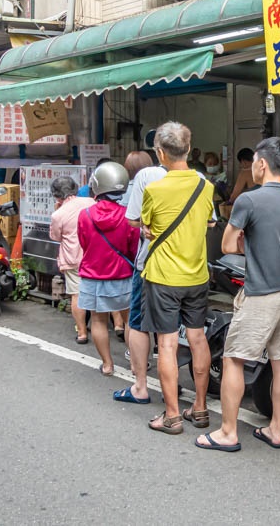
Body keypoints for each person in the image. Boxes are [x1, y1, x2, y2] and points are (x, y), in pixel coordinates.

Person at [195, 137, 280, 452]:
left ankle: (228, 433)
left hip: (263, 293)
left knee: (233, 360)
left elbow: (228, 246)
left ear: (262, 164)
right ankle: (275, 429)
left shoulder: (249, 200)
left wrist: (244, 241)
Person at [135, 122, 214, 434]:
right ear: (189, 150)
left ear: (159, 154)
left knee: (167, 344)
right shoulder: (205, 186)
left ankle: (171, 416)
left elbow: (147, 228)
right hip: (197, 274)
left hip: (164, 277)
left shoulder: (154, 189)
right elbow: (209, 222)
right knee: (197, 338)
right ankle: (201, 408)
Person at [114, 158, 168, 406]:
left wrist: (147, 224)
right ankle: (177, 391)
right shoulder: (198, 180)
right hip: (186, 268)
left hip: (149, 263)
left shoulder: (145, 177)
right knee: (172, 330)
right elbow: (210, 223)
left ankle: (140, 386)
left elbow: (132, 219)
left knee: (138, 323)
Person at [77, 162, 139, 376]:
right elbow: (133, 249)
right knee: (131, 320)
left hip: (93, 275)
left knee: (98, 320)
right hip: (123, 275)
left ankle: (107, 364)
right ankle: (135, 364)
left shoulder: (85, 215)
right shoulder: (127, 217)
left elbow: (84, 243)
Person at [48, 176, 95, 344]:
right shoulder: (90, 202)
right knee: (99, 289)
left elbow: (55, 236)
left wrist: (56, 210)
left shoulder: (58, 214)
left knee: (77, 294)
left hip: (73, 257)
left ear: (57, 196)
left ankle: (82, 332)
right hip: (94, 254)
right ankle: (117, 325)